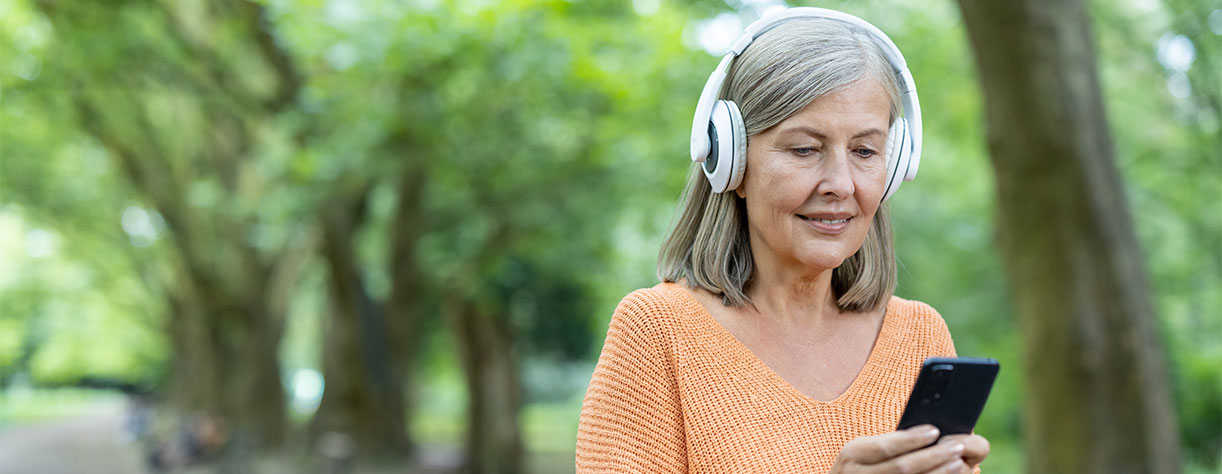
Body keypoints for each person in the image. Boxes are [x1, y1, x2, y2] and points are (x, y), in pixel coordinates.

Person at [576, 7, 990, 473]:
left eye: (865, 151)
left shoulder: (921, 336)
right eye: (804, 149)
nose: (841, 183)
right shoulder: (656, 332)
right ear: (729, 159)